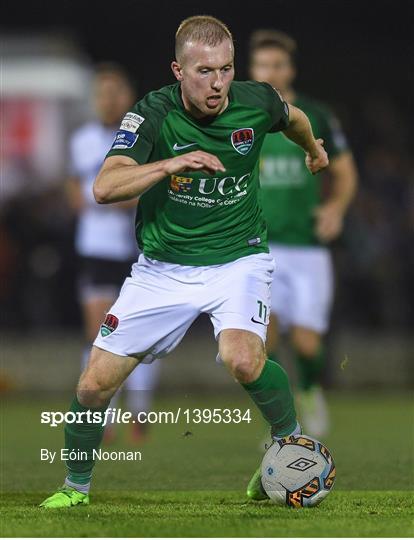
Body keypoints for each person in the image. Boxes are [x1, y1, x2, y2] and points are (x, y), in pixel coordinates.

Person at [40, 15, 328, 508]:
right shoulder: (153, 114)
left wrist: (313, 150)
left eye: (226, 69)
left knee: (243, 359)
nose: (218, 83)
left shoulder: (254, 100)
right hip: (162, 269)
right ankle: (75, 488)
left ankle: (290, 449)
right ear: (178, 69)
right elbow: (104, 187)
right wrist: (171, 163)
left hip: (239, 259)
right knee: (93, 384)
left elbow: (293, 117)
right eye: (204, 71)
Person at [248, 30, 357, 437]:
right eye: (263, 66)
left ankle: (311, 390)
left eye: (277, 65)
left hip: (308, 247)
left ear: (290, 69)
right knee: (266, 340)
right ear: (252, 70)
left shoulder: (315, 114)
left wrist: (336, 207)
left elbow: (345, 171)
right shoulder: (242, 114)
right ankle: (280, 421)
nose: (270, 72)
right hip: (259, 246)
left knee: (309, 343)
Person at [66, 63, 160, 443]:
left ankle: (140, 412)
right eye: (102, 92)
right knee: (99, 332)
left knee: (140, 334)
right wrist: (106, 198)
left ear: (127, 97)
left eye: (115, 92)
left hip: (136, 247)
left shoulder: (140, 136)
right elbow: (76, 190)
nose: (109, 99)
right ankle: (100, 415)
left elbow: (144, 189)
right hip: (95, 247)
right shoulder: (82, 140)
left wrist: (122, 197)